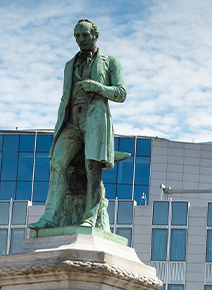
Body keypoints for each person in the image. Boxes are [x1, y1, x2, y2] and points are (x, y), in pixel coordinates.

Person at [33, 18, 127, 231]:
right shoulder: (69, 65)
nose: (81, 39)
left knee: (92, 167)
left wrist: (97, 87)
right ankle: (51, 217)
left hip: (94, 118)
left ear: (95, 35)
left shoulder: (111, 61)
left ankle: (90, 217)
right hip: (71, 120)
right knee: (57, 163)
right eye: (77, 36)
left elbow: (121, 93)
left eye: (85, 35)